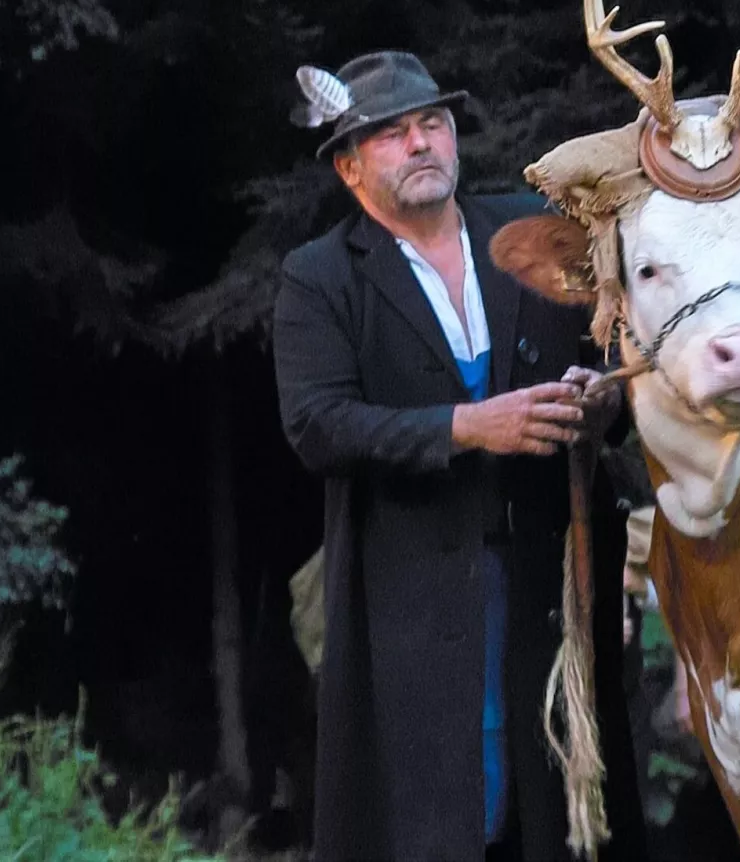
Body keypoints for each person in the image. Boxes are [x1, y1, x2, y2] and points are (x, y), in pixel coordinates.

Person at [271, 50, 646, 862]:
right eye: (393, 134)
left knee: (561, 810)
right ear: (348, 167)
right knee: (439, 817)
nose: (421, 144)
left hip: (553, 588)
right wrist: (467, 428)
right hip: (412, 600)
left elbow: (624, 361)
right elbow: (317, 425)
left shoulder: (532, 234)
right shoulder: (322, 277)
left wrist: (604, 400)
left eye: (432, 124)